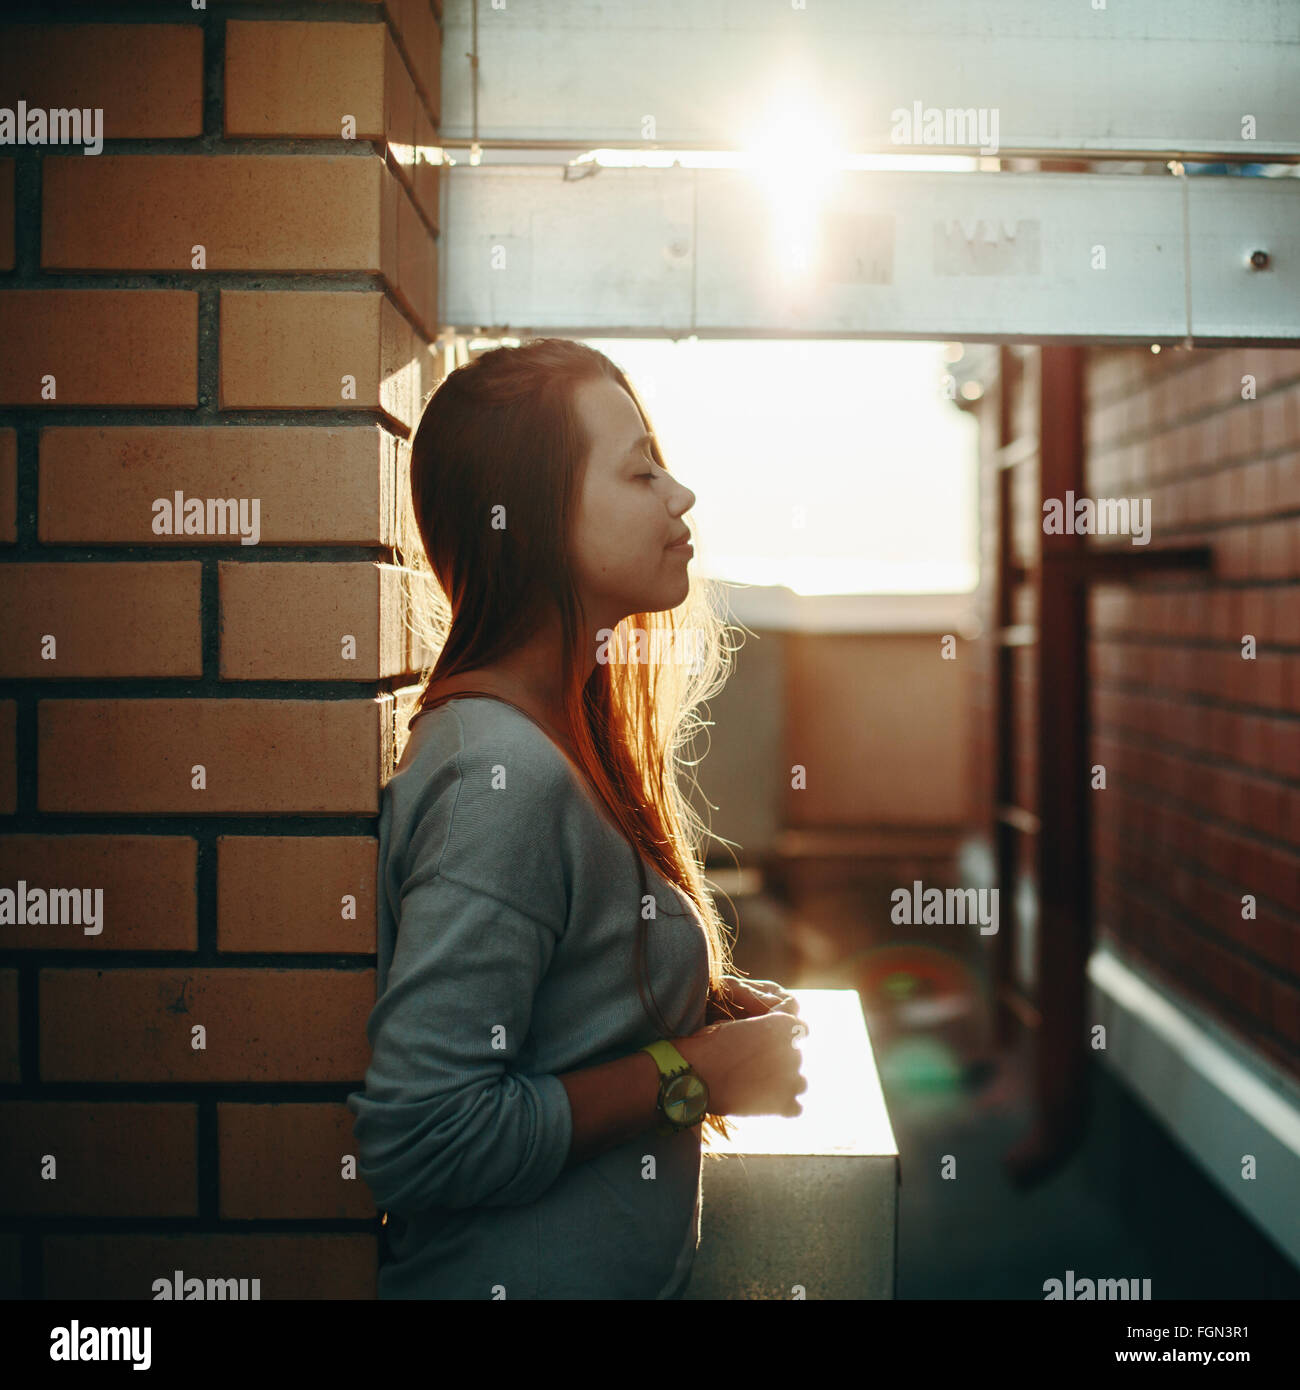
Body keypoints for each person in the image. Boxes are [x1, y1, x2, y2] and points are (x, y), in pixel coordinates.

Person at [346, 337, 807, 1299]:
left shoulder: (555, 744)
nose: (680, 496)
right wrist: (697, 1075)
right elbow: (425, 1138)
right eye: (640, 471)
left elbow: (549, 1021)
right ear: (535, 519)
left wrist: (694, 1011)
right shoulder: (499, 777)